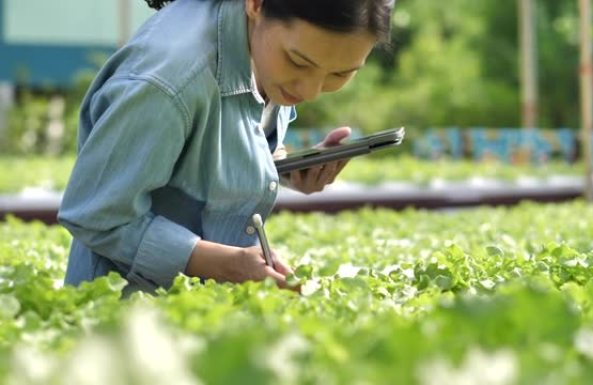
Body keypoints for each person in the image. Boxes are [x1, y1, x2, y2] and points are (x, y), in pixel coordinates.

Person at [57, 0, 394, 294]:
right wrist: (227, 264)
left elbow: (202, 151)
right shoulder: (168, 82)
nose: (309, 91)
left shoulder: (258, 42)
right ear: (257, 4)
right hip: (122, 325)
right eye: (298, 63)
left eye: (339, 74)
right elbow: (97, 214)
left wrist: (283, 168)